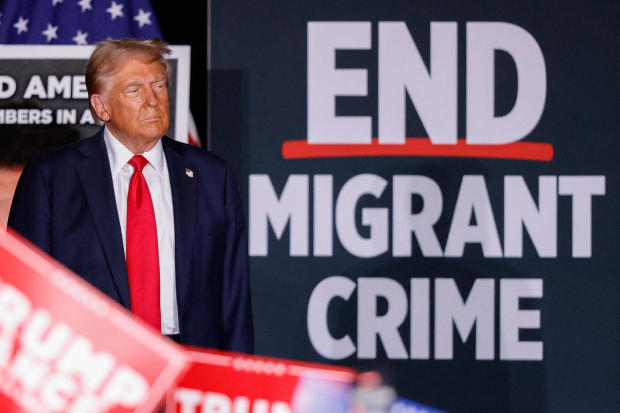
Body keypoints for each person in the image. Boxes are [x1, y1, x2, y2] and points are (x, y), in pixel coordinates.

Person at [8, 38, 253, 353]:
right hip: (92, 367)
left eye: (159, 86)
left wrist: (235, 380)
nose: (153, 101)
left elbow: (234, 295)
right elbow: (25, 288)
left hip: (189, 366)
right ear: (101, 107)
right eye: (135, 90)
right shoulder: (52, 177)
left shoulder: (212, 175)